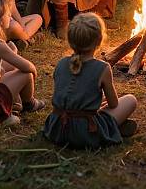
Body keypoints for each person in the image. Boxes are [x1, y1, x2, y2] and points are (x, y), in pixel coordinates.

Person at [43, 12, 138, 148]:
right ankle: (113, 128)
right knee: (130, 100)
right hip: (86, 131)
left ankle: (114, 127)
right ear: (99, 41)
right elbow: (113, 104)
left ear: (70, 40)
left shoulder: (61, 63)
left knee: (91, 106)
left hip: (57, 128)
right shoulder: (102, 68)